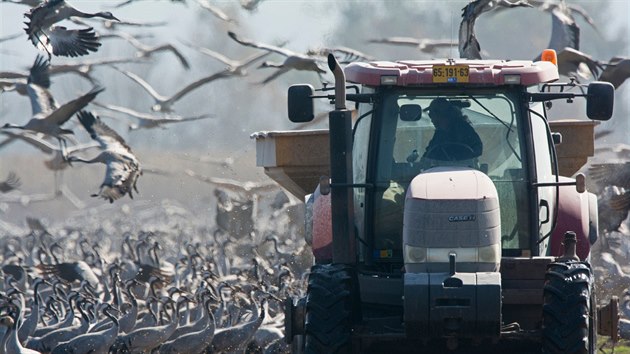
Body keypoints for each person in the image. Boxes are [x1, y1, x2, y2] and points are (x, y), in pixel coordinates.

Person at [421, 98, 483, 163]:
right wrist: (422, 162)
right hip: (440, 170)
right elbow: (429, 152)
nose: (431, 120)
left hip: (463, 169)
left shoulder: (464, 129)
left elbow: (478, 148)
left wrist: (460, 157)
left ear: (442, 114)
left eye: (431, 115)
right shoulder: (439, 133)